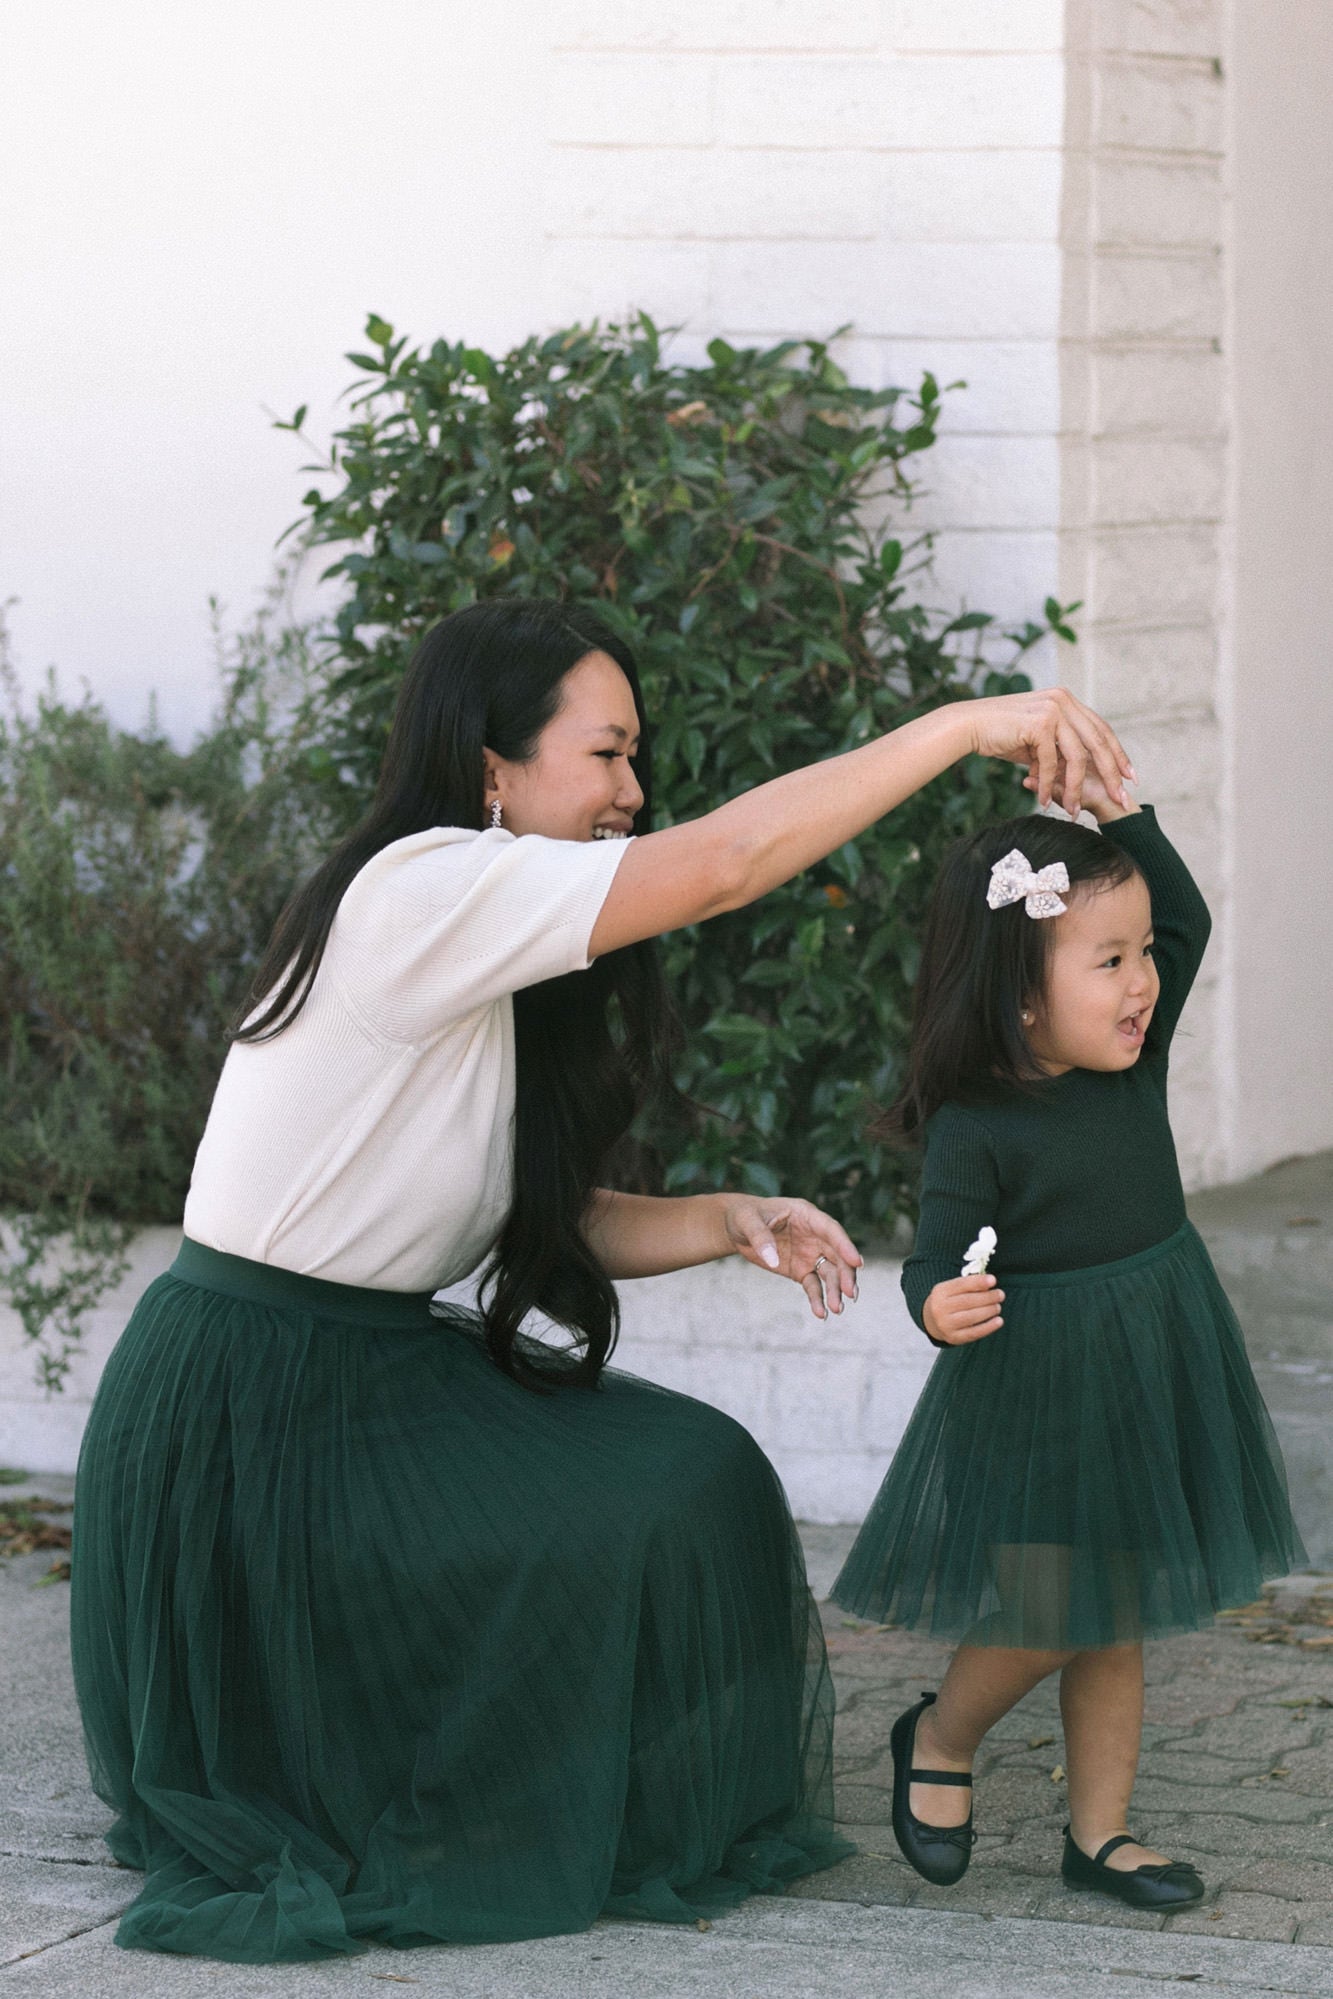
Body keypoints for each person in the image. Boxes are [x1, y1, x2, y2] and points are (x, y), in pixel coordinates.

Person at [70, 596, 1134, 1963]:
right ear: (492, 767)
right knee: (628, 1504)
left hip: (361, 1372)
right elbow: (730, 860)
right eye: (608, 754)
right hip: (253, 1411)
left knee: (690, 1469)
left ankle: (554, 1795)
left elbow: (520, 1207)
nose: (636, 792)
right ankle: (480, 1793)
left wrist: (724, 1215)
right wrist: (964, 726)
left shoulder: (480, 936)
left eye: (640, 760)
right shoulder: (419, 886)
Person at [832, 770, 1305, 1911]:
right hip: (1041, 1384)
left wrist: (1119, 818)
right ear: (1019, 998)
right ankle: (940, 1734)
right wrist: (938, 1302)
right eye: (1110, 961)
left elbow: (1183, 912)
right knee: (1048, 1608)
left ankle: (1098, 1834)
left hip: (1154, 1348)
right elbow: (936, 1254)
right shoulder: (978, 1124)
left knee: (1118, 1605)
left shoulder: (1130, 1058)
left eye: (1142, 956)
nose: (1144, 980)